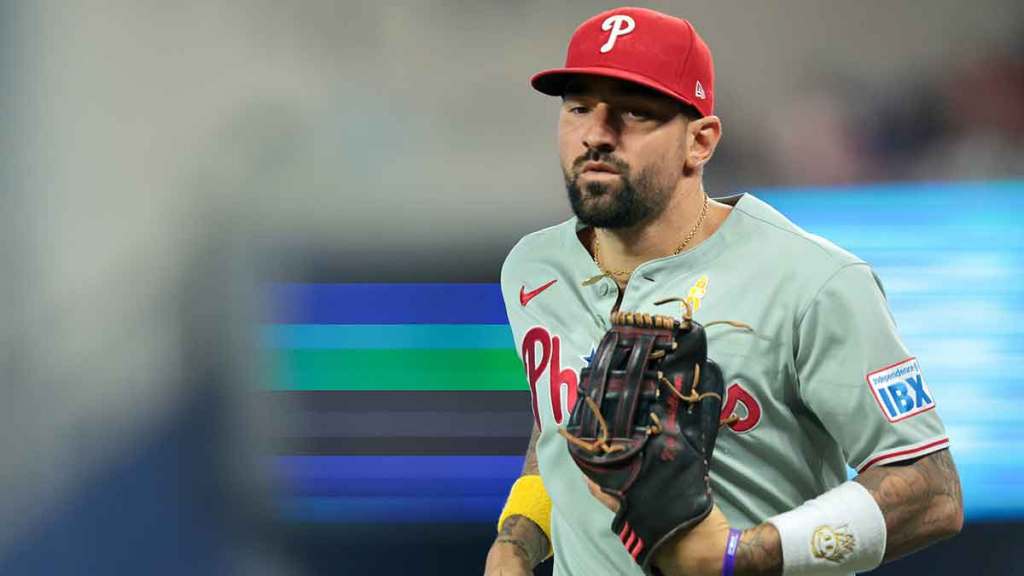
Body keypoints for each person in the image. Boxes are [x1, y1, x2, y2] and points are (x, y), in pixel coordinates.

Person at [483, 7, 963, 576]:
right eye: (579, 107)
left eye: (634, 112)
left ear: (701, 141)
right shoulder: (533, 268)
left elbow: (932, 493)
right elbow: (564, 426)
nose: (595, 134)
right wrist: (518, 539)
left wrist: (744, 555)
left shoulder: (813, 281)